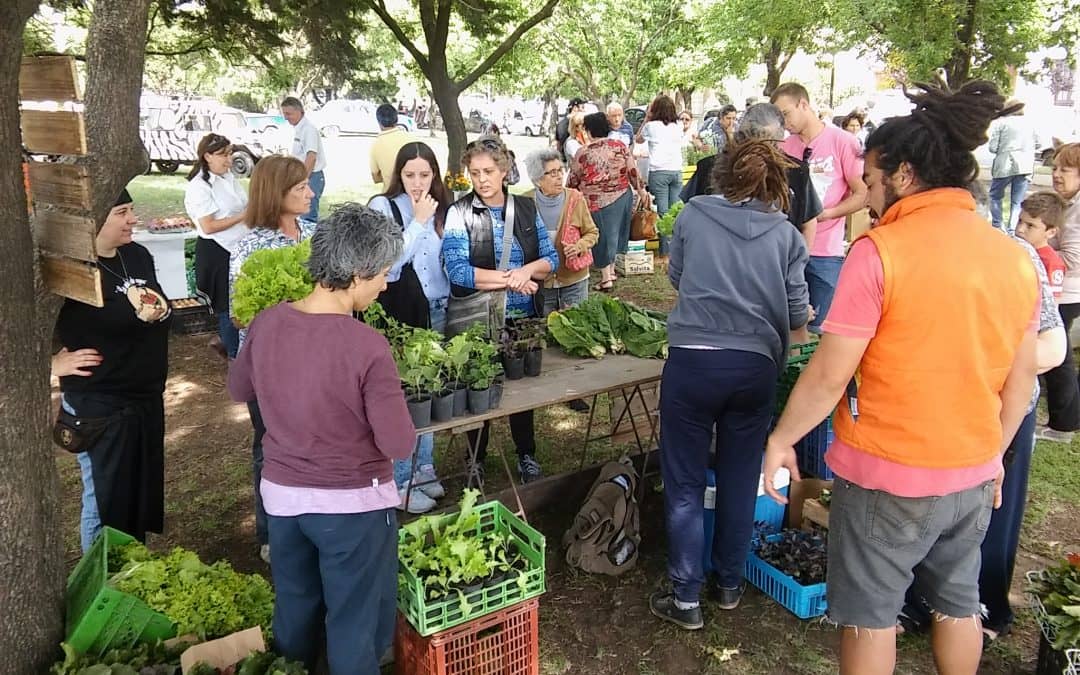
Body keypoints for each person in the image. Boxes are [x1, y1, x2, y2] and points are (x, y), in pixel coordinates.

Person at [764, 81, 1040, 675]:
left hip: (888, 475)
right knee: (959, 603)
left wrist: (782, 439)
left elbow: (829, 374)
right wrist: (994, 455)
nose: (865, 193)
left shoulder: (879, 251)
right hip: (972, 469)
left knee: (870, 616)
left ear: (905, 174)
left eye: (872, 179)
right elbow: (1021, 384)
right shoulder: (1016, 256)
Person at [227, 204, 414, 675]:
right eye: (383, 275)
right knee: (353, 621)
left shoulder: (268, 322)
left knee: (294, 604)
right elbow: (398, 443)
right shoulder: (366, 345)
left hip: (284, 501)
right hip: (351, 507)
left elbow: (238, 389)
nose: (385, 285)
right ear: (356, 274)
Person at [649, 138, 810, 631]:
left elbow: (676, 275)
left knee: (684, 482)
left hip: (693, 363)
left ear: (721, 173)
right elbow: (799, 311)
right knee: (742, 477)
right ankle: (731, 585)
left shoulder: (694, 214)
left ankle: (685, 597)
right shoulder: (786, 235)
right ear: (774, 183)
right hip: (755, 367)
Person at [898, 206, 1067, 644]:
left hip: (997, 412)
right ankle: (918, 601)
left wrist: (994, 369)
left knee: (992, 511)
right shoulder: (914, 252)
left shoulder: (1016, 256)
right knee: (927, 508)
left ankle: (985, 608)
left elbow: (1054, 344)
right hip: (938, 408)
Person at [54, 187, 172, 552]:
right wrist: (51, 364)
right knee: (105, 501)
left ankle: (130, 571)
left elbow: (154, 301)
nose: (133, 219)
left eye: (131, 210)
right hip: (99, 405)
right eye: (122, 212)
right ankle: (104, 584)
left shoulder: (136, 256)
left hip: (143, 399)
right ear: (93, 221)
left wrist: (160, 311)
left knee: (136, 492)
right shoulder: (68, 269)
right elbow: (17, 325)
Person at [442, 137, 559, 485]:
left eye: (489, 171)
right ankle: (475, 458)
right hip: (479, 320)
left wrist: (526, 272)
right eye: (474, 173)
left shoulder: (525, 208)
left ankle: (526, 453)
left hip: (523, 321)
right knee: (479, 389)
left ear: (505, 171)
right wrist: (513, 279)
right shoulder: (459, 213)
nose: (482, 179)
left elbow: (550, 260)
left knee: (522, 392)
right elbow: (458, 270)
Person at [229, 155, 318, 563]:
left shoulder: (316, 235)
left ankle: (315, 520)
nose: (310, 193)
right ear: (275, 193)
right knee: (271, 447)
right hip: (271, 368)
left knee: (318, 443)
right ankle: (271, 532)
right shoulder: (250, 246)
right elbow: (240, 312)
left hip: (320, 363)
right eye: (300, 188)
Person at [369, 142, 452, 514]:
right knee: (404, 396)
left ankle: (424, 466)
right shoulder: (383, 207)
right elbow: (389, 265)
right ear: (398, 175)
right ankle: (400, 479)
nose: (417, 183)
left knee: (432, 390)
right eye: (409, 175)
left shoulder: (445, 207)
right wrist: (417, 221)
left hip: (440, 307)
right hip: (402, 313)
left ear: (435, 173)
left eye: (424, 174)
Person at [771, 82, 867, 333]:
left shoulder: (843, 142)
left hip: (826, 254)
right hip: (789, 250)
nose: (784, 122)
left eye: (786, 114)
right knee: (790, 326)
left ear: (803, 104)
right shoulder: (783, 146)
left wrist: (826, 214)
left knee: (821, 326)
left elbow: (862, 193)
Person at [681, 103, 821, 246]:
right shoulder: (709, 167)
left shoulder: (796, 171)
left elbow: (809, 223)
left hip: (721, 257)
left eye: (765, 141)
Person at [184, 133, 248, 360]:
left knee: (241, 301)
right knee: (227, 306)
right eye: (222, 155)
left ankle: (235, 347)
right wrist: (244, 216)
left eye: (230, 153)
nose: (228, 159)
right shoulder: (199, 186)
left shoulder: (229, 177)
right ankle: (233, 355)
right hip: (217, 251)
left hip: (238, 247)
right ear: (207, 156)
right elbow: (208, 226)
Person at [567, 112, 645, 293]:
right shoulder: (620, 146)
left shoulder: (584, 152)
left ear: (588, 130)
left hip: (597, 200)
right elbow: (633, 171)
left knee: (601, 238)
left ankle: (606, 279)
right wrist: (640, 190)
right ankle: (610, 271)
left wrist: (568, 194)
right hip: (623, 196)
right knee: (616, 234)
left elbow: (573, 179)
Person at [1041, 142, 1080, 442]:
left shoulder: (1076, 211)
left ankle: (1064, 424)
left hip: (1066, 292)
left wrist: (1039, 251)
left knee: (1060, 359)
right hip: (1064, 290)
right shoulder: (1069, 203)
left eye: (1064, 170)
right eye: (1054, 168)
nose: (1056, 175)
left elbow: (1073, 259)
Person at [988, 99, 1038, 232]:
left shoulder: (1002, 123)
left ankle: (997, 225)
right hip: (1025, 166)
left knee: (995, 196)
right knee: (1017, 201)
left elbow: (993, 147)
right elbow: (1040, 144)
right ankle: (1012, 229)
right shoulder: (1031, 124)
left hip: (1004, 165)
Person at [636, 95, 684, 215]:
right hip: (676, 170)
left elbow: (638, 139)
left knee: (662, 213)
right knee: (675, 211)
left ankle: (664, 234)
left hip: (658, 171)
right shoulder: (679, 126)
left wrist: (647, 117)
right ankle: (675, 233)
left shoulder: (651, 126)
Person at [280, 96, 325, 222]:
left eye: (288, 114)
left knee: (308, 217)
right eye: (284, 114)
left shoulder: (308, 129)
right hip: (304, 176)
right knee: (299, 214)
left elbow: (311, 157)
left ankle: (310, 241)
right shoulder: (298, 129)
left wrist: (303, 180)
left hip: (312, 177)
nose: (285, 117)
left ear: (300, 111)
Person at [1017, 192, 1068, 300]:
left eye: (1030, 226)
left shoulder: (1052, 263)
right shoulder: (1015, 250)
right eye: (1019, 221)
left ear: (1051, 232)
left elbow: (1052, 302)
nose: (1020, 229)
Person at [370, 103, 410, 187]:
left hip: (390, 195)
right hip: (414, 194)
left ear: (379, 122)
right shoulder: (412, 138)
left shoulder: (376, 145)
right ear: (396, 120)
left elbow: (376, 178)